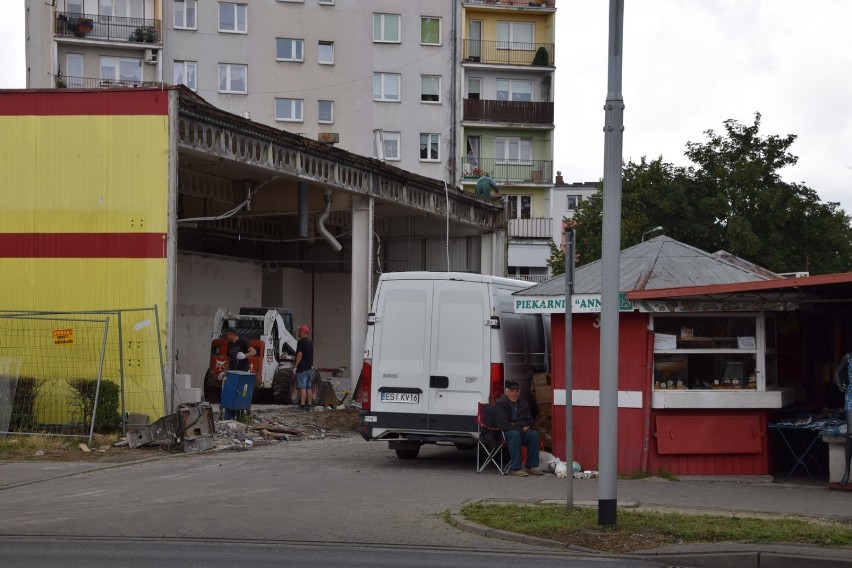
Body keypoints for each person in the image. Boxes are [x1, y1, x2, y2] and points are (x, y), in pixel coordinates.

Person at [492, 380, 541, 476]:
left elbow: (530, 421)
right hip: (502, 434)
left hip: (519, 432)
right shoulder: (500, 404)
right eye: (511, 391)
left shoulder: (523, 404)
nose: (514, 394)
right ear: (506, 392)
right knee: (514, 434)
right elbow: (503, 425)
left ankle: (530, 466)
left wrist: (516, 424)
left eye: (516, 391)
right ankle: (516, 468)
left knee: (534, 435)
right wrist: (521, 429)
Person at [834, 352, 852, 485]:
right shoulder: (848, 357)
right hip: (851, 396)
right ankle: (847, 470)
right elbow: (837, 372)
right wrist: (840, 385)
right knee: (850, 433)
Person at [294, 324, 314, 410]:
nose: (298, 332)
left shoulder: (301, 342)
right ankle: (309, 405)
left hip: (302, 368)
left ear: (302, 332)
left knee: (302, 387)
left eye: (299, 331)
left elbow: (300, 354)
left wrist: (295, 366)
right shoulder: (310, 342)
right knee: (308, 387)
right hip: (309, 368)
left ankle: (302, 405)